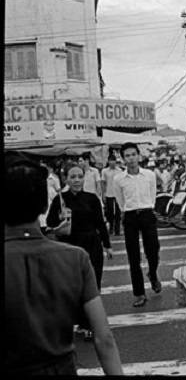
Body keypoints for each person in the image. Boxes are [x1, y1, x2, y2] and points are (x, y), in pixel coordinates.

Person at [4, 152, 122, 375]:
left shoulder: (90, 201)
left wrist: (105, 243)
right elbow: (104, 338)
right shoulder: (75, 259)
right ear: (41, 206)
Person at [46, 163, 113, 340]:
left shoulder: (92, 198)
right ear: (65, 179)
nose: (77, 180)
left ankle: (89, 323)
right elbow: (50, 223)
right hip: (70, 245)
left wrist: (107, 245)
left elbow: (100, 223)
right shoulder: (60, 199)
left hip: (92, 243)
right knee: (75, 285)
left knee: (93, 283)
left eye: (80, 176)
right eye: (73, 177)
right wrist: (60, 218)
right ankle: (79, 321)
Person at [113, 142, 162, 307]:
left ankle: (153, 274)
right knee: (133, 257)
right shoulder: (118, 179)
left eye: (133, 154)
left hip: (147, 214)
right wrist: (127, 211)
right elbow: (120, 200)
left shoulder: (149, 175)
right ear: (123, 159)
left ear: (138, 155)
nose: (131, 158)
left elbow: (153, 195)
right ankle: (139, 293)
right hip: (130, 217)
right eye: (127, 155)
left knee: (153, 250)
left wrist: (149, 208)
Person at [102, 155, 123, 236]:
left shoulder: (120, 171)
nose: (112, 162)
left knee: (118, 212)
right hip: (109, 193)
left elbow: (121, 183)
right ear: (108, 161)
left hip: (118, 193)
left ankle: (117, 230)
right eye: (111, 160)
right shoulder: (105, 171)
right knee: (110, 211)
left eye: (114, 160)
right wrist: (103, 194)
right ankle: (111, 227)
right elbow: (103, 183)